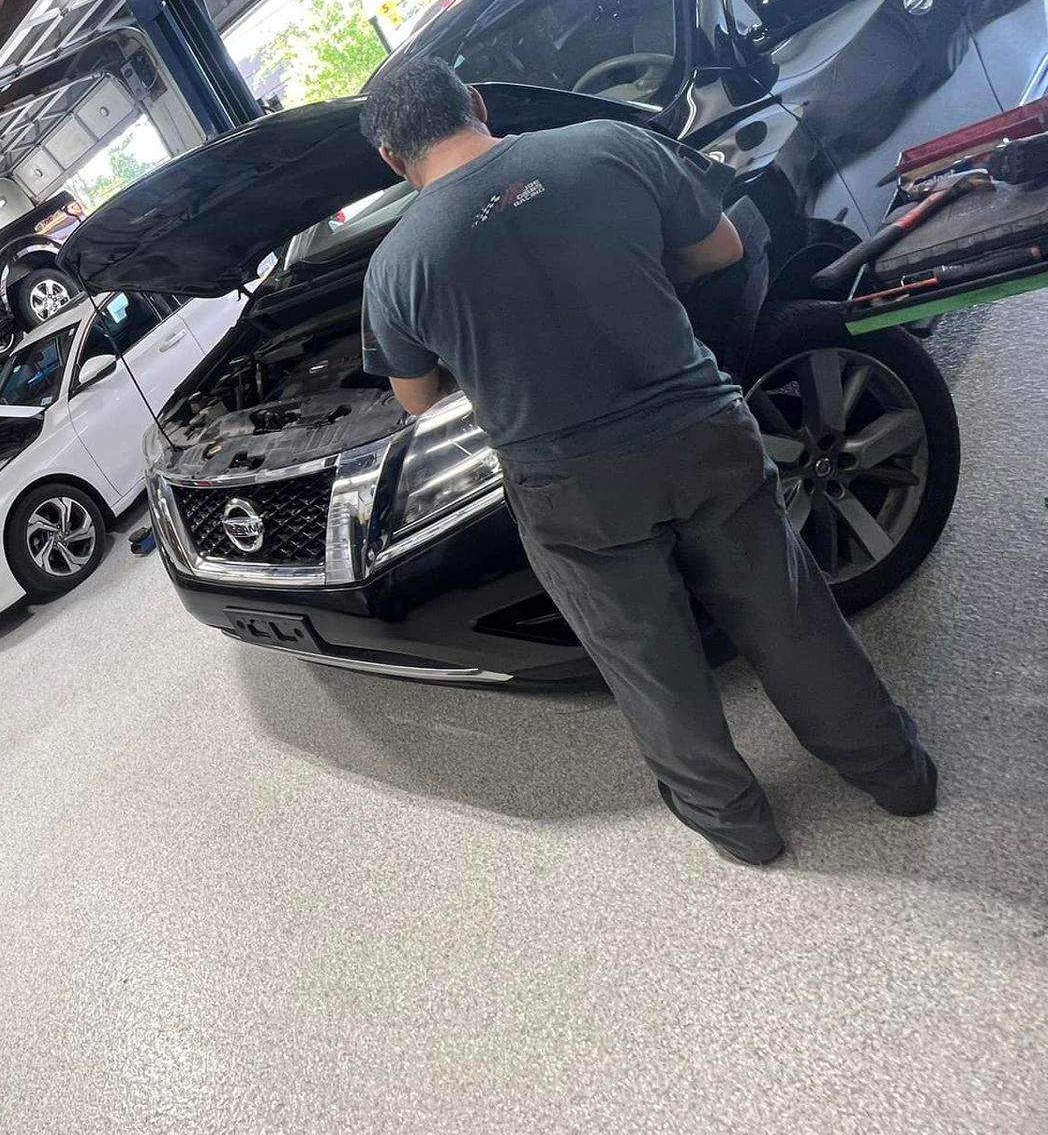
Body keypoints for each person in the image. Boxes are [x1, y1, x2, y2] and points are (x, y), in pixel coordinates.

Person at [357, 56, 937, 865]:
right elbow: (722, 249)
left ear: (391, 158)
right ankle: (897, 774)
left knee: (649, 665)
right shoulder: (609, 146)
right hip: (700, 432)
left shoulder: (394, 268)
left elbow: (417, 401)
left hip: (571, 488)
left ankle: (738, 826)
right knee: (789, 615)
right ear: (477, 105)